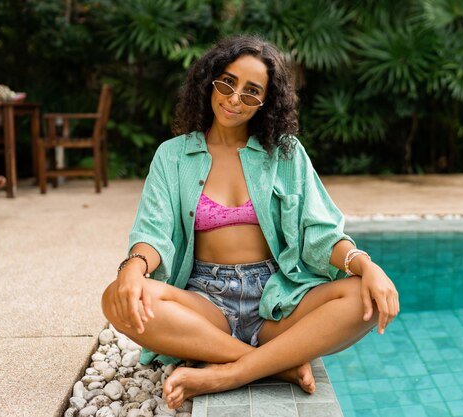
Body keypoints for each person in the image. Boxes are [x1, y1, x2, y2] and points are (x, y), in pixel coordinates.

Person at [101, 34, 399, 410]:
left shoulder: (286, 153)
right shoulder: (173, 156)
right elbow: (153, 232)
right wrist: (133, 268)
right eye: (227, 82)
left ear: (265, 103)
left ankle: (230, 370)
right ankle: (275, 366)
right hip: (204, 301)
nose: (234, 98)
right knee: (116, 298)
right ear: (210, 80)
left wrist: (366, 265)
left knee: (362, 297)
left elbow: (319, 232)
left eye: (251, 92)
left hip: (277, 298)